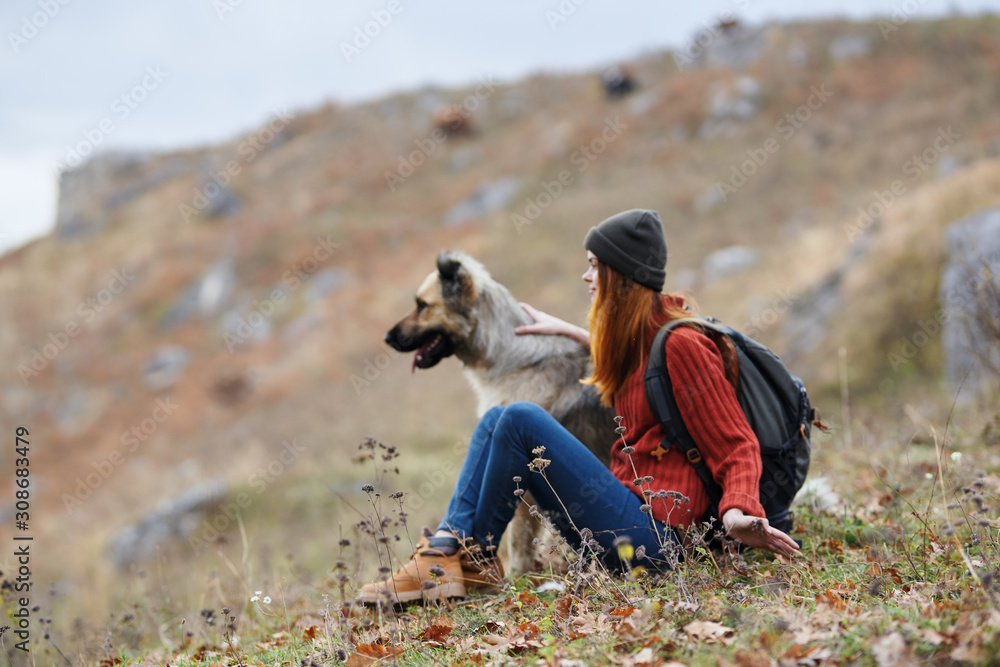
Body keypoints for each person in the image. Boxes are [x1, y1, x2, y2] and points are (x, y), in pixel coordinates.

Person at [360, 209, 801, 605]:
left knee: (518, 416)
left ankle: (461, 560)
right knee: (498, 417)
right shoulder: (641, 343)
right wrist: (575, 334)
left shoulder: (682, 346)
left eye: (595, 267)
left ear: (623, 277)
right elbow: (638, 368)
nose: (586, 277)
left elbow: (736, 443)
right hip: (629, 523)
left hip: (658, 542)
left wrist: (739, 513)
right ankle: (448, 554)